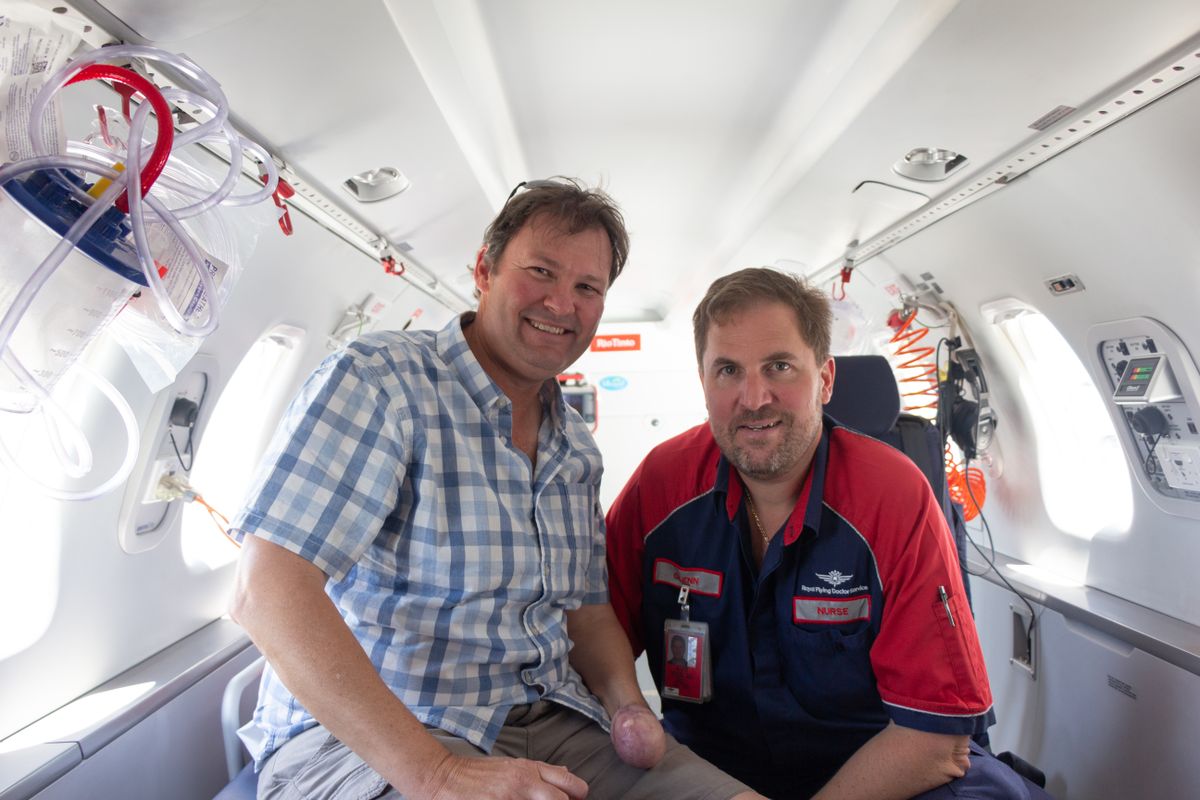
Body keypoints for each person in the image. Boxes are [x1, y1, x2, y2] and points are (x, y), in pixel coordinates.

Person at [229, 179, 764, 800]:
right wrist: (438, 775)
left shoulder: (575, 449)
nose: (561, 303)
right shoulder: (382, 382)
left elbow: (586, 615)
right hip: (380, 735)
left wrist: (626, 706)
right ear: (485, 269)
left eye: (587, 288)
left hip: (555, 722)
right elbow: (266, 590)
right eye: (541, 271)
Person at [606, 268, 1051, 799]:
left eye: (779, 366)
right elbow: (591, 626)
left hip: (877, 774)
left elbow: (937, 741)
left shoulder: (892, 495)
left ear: (825, 379)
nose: (754, 397)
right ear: (703, 384)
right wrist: (629, 711)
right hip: (709, 773)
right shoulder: (662, 484)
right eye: (728, 370)